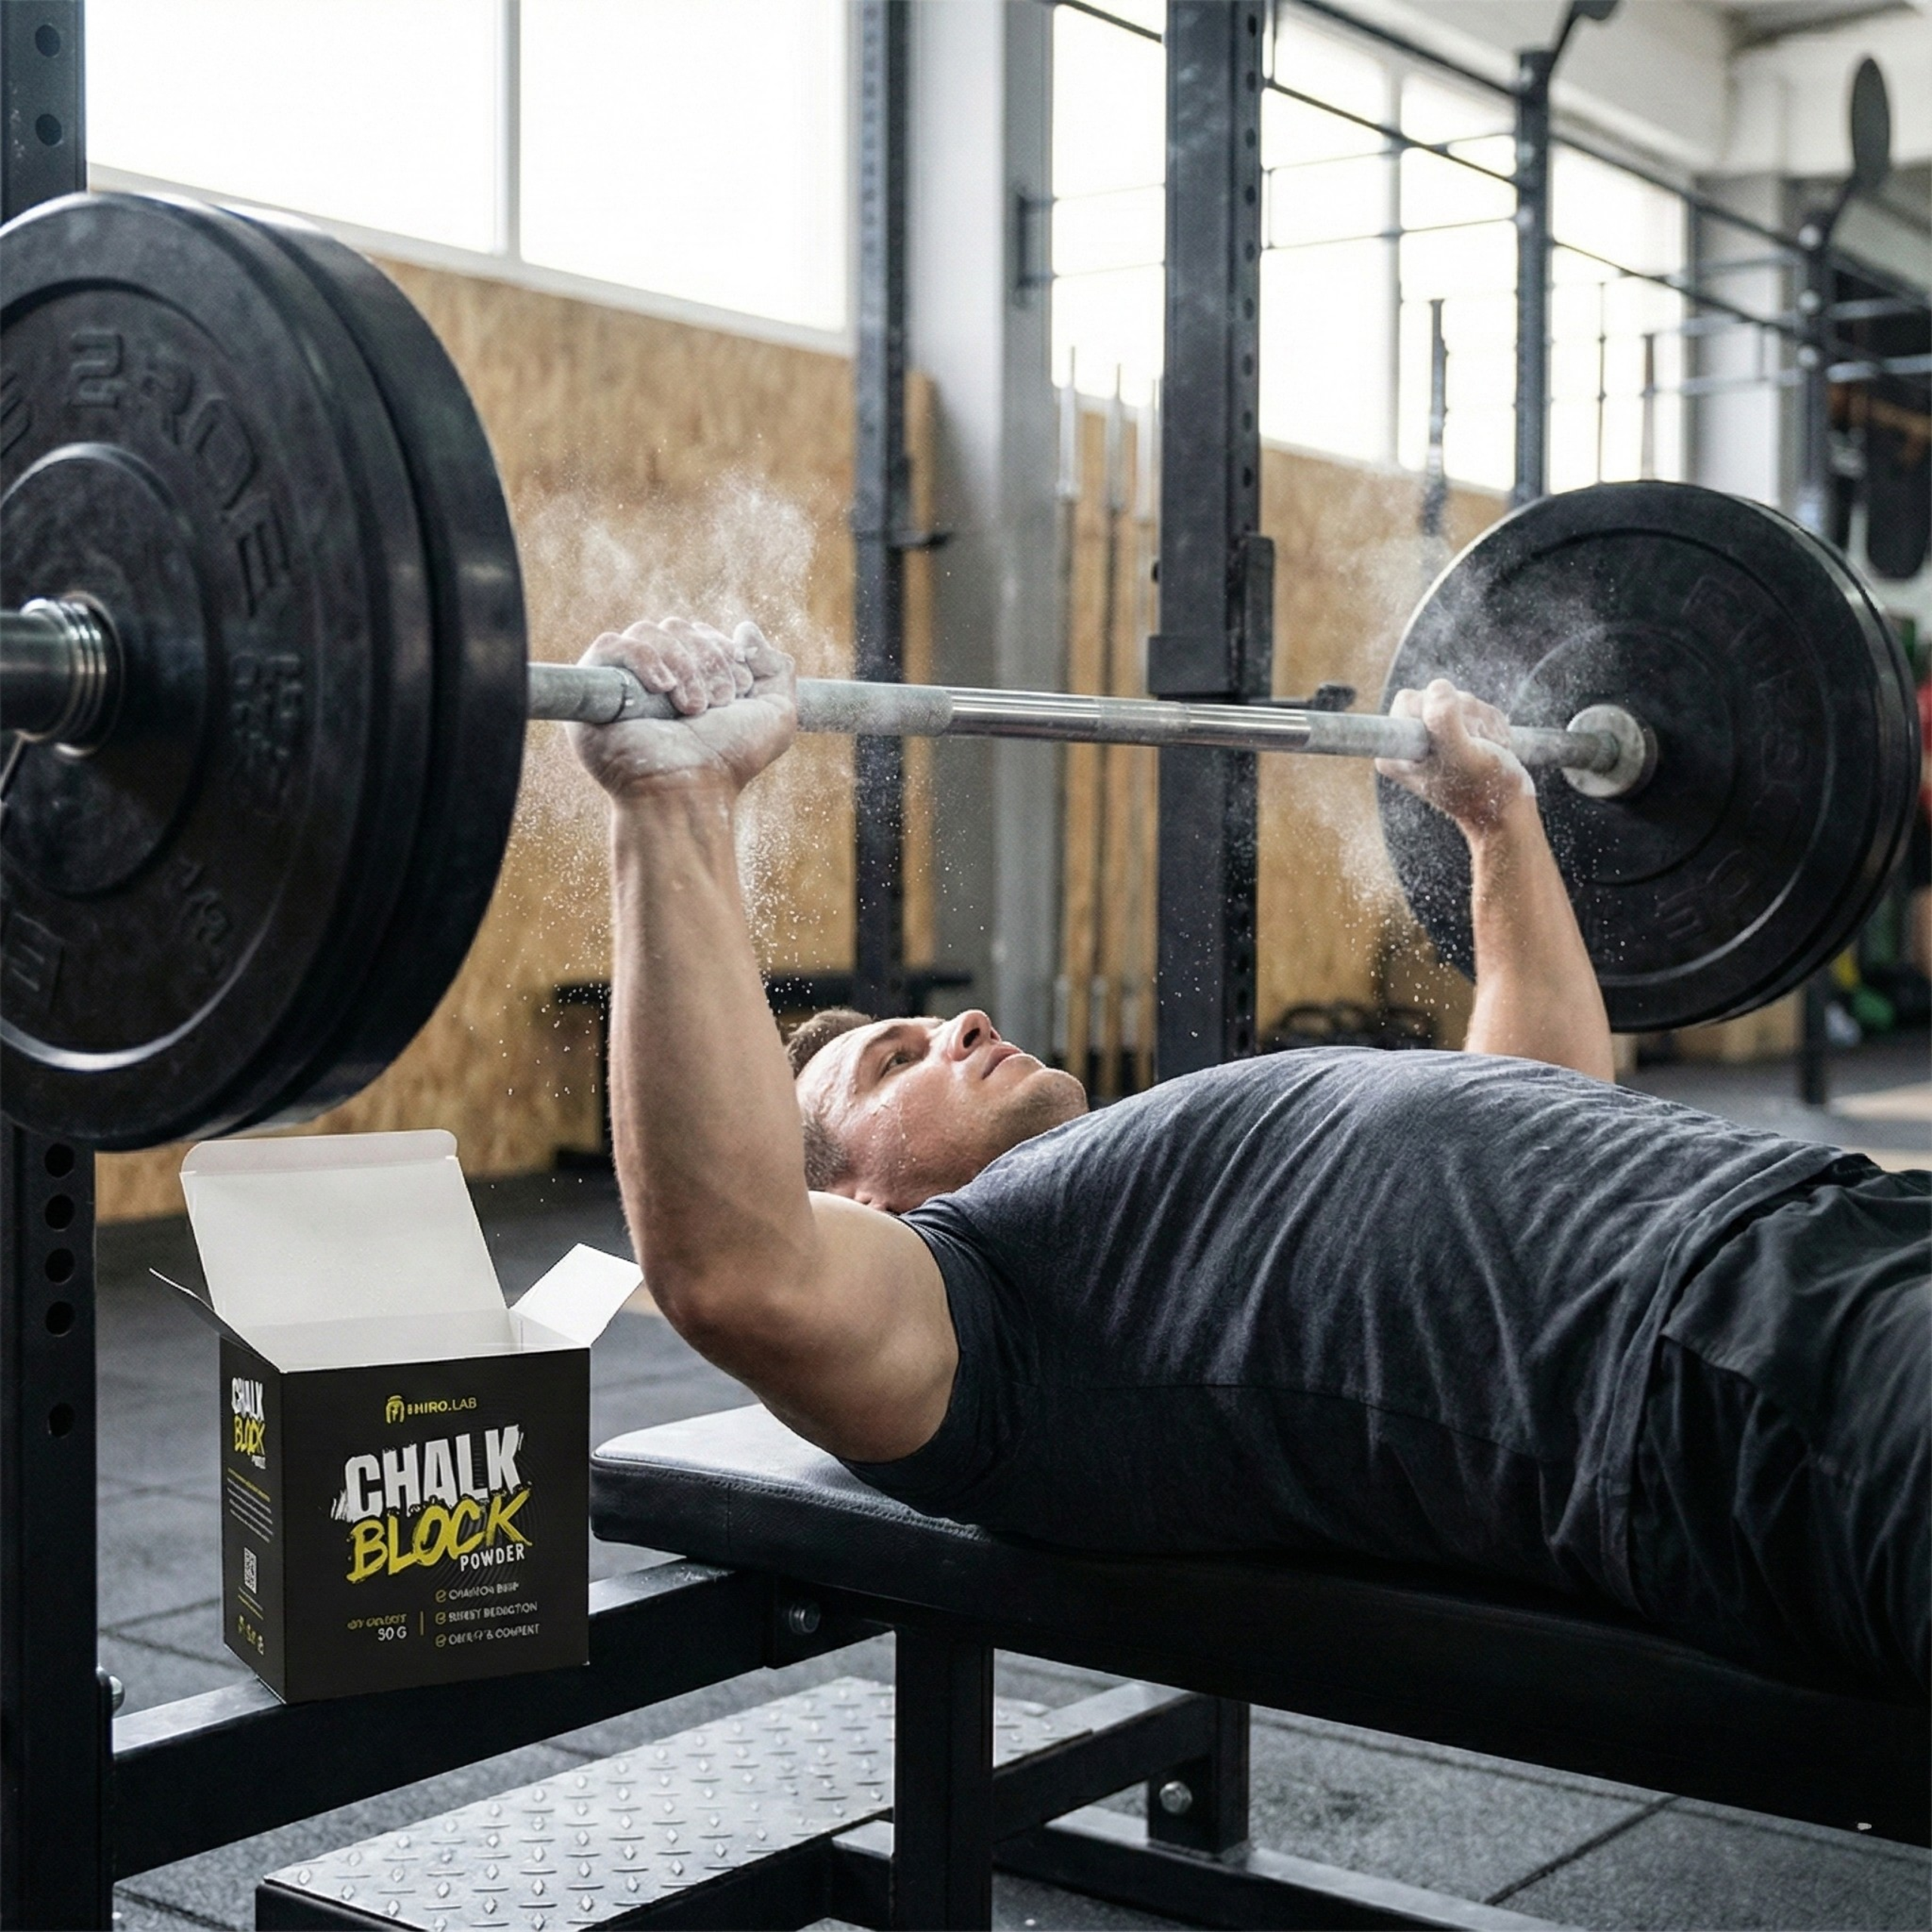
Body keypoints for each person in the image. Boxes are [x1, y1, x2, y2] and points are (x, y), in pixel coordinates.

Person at [571, 616, 1928, 1702]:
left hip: (1826, 1230)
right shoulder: (979, 1319)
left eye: (933, 1024)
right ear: (850, 1201)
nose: (962, 1026)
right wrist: (674, 805)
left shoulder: (1140, 1192)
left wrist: (1498, 820)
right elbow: (741, 1272)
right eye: (895, 1064)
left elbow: (1541, 1096)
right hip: (1722, 1373)